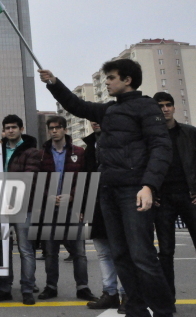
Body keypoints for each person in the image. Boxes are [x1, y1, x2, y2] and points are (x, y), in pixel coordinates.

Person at [39, 60, 174, 317]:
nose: (107, 82)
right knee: (120, 255)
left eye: (111, 78)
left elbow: (161, 147)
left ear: (127, 80)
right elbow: (76, 106)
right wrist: (53, 83)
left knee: (142, 256)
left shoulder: (147, 107)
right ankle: (135, 308)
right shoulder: (110, 110)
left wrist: (148, 185)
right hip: (108, 191)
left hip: (133, 190)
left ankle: (164, 310)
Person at [36, 116, 97, 302]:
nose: (54, 131)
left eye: (57, 127)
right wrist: (47, 195)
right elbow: (37, 179)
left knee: (79, 251)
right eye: (51, 128)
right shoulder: (41, 154)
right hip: (50, 206)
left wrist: (72, 196)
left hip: (73, 205)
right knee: (51, 251)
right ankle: (51, 286)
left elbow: (85, 179)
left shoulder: (79, 152)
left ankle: (83, 287)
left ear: (65, 129)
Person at [0, 115, 40, 306]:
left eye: (14, 127)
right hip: (1, 207)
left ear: (21, 128)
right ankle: (4, 288)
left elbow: (30, 178)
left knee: (26, 250)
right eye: (7, 128)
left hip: (23, 207)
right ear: (3, 130)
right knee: (4, 250)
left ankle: (27, 289)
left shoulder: (31, 151)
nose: (10, 130)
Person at [153, 92, 196, 308]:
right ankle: (168, 302)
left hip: (189, 197)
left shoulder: (189, 133)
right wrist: (152, 192)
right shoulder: (151, 137)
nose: (165, 109)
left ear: (174, 107)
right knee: (166, 253)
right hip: (164, 200)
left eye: (168, 104)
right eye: (160, 105)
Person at [83, 120, 127, 312]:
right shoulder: (88, 147)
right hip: (96, 205)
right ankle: (110, 294)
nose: (95, 122)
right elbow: (85, 180)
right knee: (103, 253)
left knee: (123, 252)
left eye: (99, 118)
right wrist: (83, 207)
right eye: (92, 119)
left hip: (118, 203)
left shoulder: (120, 140)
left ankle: (127, 295)